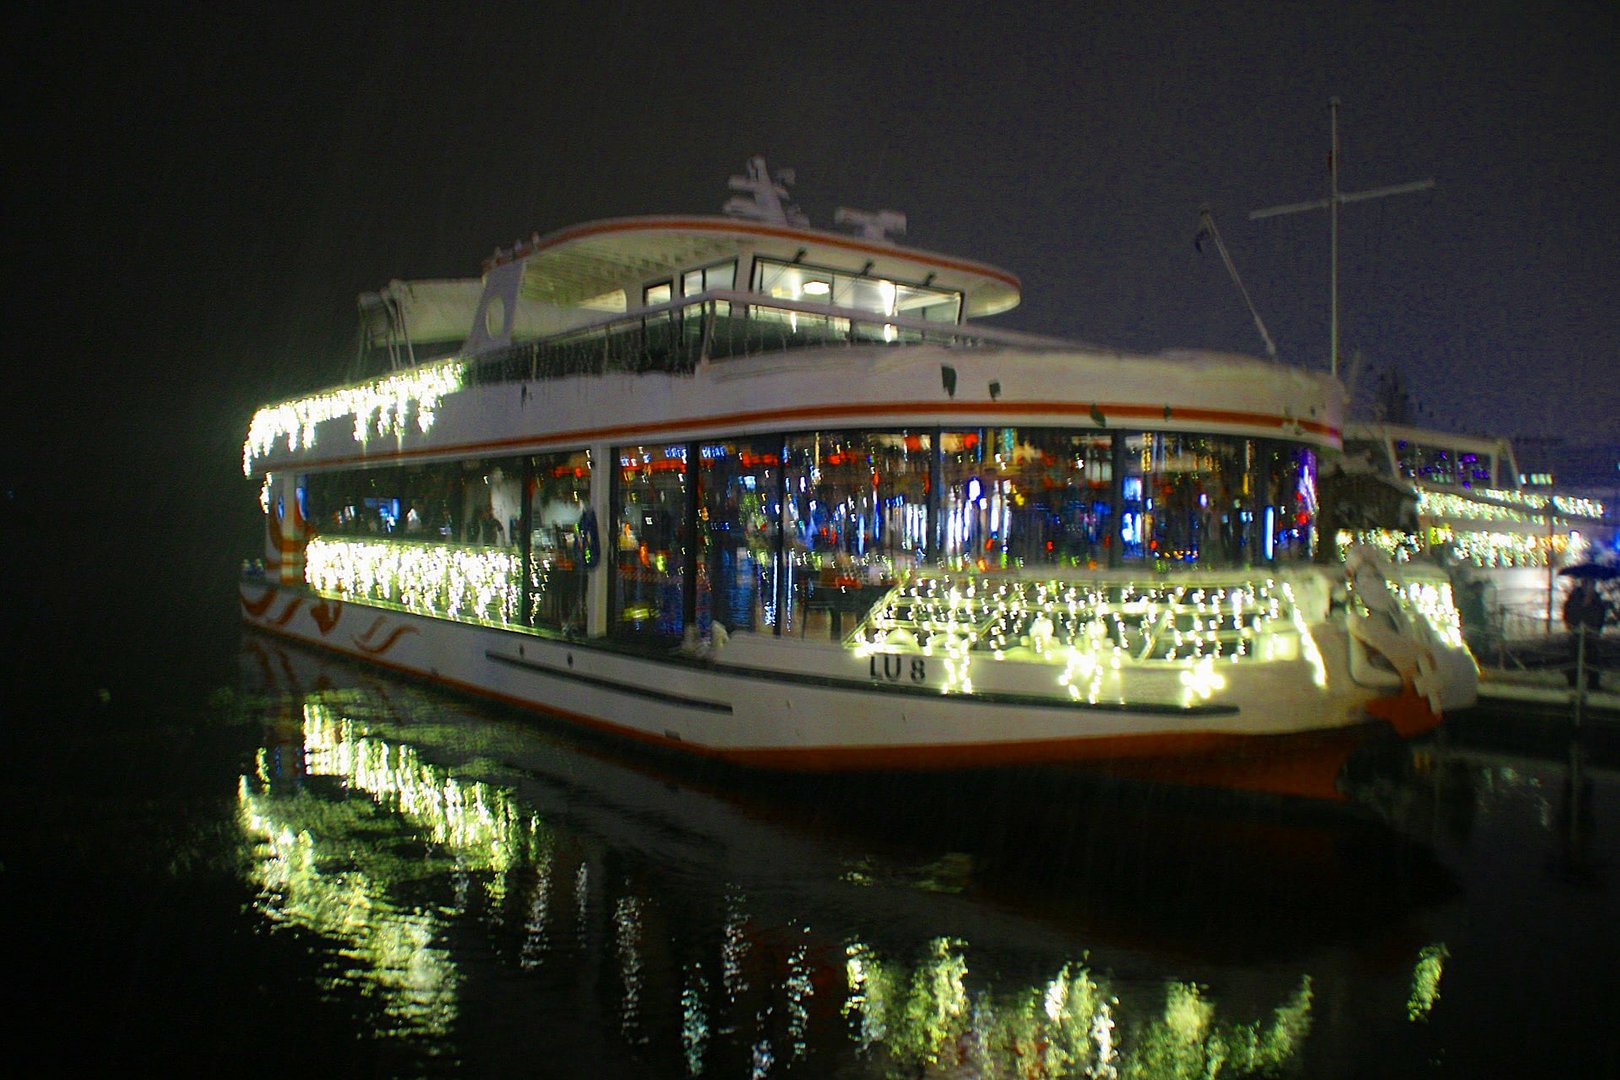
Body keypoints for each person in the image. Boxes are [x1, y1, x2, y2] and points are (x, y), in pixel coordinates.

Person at [1561, 579, 1607, 689]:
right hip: (1577, 632)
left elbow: (1600, 614)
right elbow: (1569, 612)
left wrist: (1597, 628)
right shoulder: (1575, 597)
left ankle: (1593, 682)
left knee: (1593, 657)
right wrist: (1572, 625)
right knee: (1574, 656)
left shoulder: (1596, 599)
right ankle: (1573, 682)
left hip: (1591, 632)